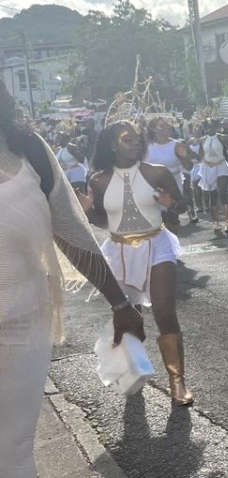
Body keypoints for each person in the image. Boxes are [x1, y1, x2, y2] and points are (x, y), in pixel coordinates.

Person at [0, 88, 145, 478]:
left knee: (12, 450)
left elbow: (71, 231)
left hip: (21, 324)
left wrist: (120, 304)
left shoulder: (29, 152)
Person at [83, 120, 193, 406]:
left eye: (137, 139)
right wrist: (86, 211)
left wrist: (171, 204)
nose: (135, 143)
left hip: (157, 243)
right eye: (126, 139)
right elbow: (103, 221)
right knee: (128, 315)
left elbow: (181, 207)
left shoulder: (158, 172)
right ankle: (134, 371)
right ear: (111, 145)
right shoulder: (99, 180)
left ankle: (177, 381)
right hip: (119, 250)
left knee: (165, 310)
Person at [145, 116, 195, 230]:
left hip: (174, 184)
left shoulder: (177, 145)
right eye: (162, 126)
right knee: (158, 220)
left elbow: (189, 166)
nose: (166, 128)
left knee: (172, 217)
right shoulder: (147, 146)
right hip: (154, 186)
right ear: (153, 129)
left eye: (167, 125)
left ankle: (173, 242)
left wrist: (185, 156)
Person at [196, 119, 228, 236]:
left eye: (213, 126)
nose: (210, 129)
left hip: (221, 165)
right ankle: (216, 222)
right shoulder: (201, 140)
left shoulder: (223, 137)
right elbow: (201, 155)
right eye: (208, 126)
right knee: (212, 195)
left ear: (217, 127)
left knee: (222, 193)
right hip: (208, 167)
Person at [53, 125, 89, 192]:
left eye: (59, 138)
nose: (57, 140)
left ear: (65, 139)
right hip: (66, 174)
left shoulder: (71, 147)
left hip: (76, 172)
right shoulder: (58, 149)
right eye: (57, 138)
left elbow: (81, 159)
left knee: (79, 195)